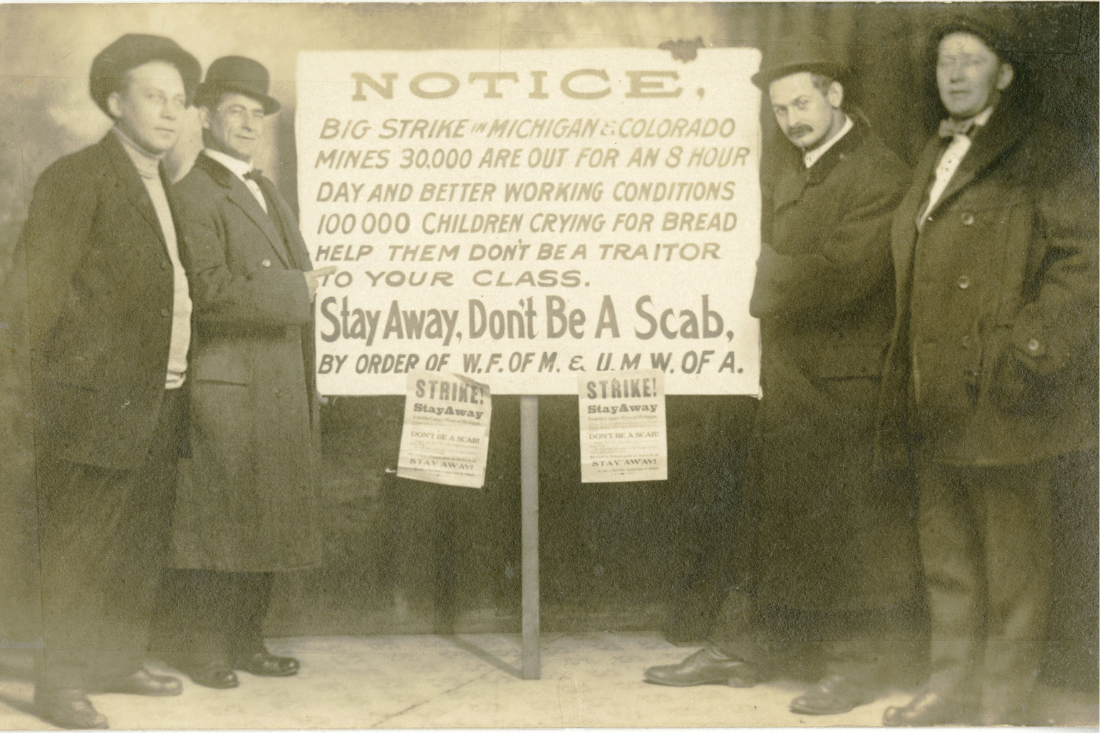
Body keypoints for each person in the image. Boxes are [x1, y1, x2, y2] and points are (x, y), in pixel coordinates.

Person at [643, 37, 921, 715]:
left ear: (835, 96)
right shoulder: (799, 165)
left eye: (803, 102)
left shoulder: (879, 173)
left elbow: (837, 279)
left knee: (854, 530)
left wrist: (759, 276)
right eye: (780, 107)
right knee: (773, 519)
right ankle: (748, 647)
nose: (791, 117)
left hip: (847, 390)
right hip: (792, 382)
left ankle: (856, 667)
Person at [876, 11, 1099, 726]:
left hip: (1007, 393)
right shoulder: (931, 154)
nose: (955, 73)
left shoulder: (1050, 151)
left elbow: (1084, 265)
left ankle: (1003, 704)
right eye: (946, 61)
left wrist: (1029, 353)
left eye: (971, 60)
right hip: (935, 391)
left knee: (1013, 567)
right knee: (946, 558)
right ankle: (950, 687)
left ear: (1004, 74)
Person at [22, 33, 201, 729]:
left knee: (139, 538)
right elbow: (31, 303)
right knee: (81, 544)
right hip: (91, 405)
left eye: (181, 101)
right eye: (154, 97)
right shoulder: (76, 177)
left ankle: (115, 657)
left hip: (163, 394)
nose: (170, 112)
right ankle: (59, 681)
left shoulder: (166, 184)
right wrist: (32, 405)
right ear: (114, 101)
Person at [149, 55, 335, 690]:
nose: (250, 123)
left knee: (269, 517)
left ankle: (247, 639)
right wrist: (298, 290)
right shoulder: (192, 193)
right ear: (205, 117)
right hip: (227, 387)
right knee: (216, 523)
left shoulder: (265, 188)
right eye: (236, 111)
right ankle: (202, 650)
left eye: (258, 114)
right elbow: (210, 293)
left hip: (278, 380)